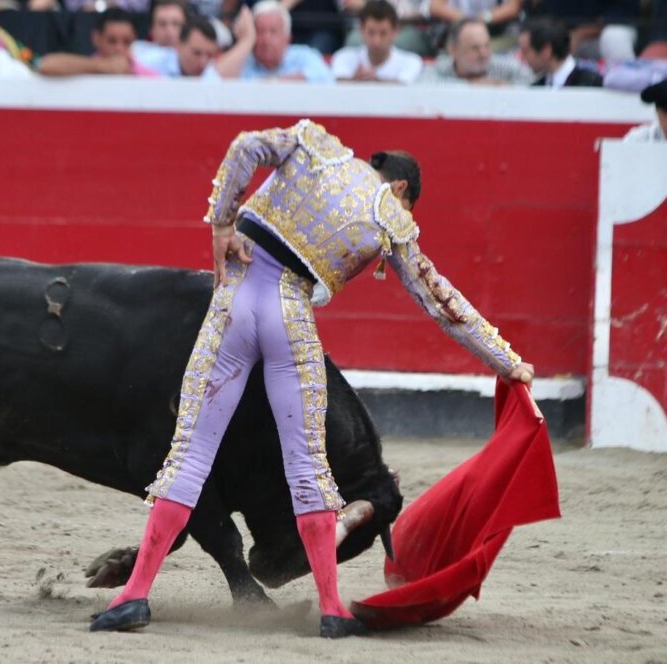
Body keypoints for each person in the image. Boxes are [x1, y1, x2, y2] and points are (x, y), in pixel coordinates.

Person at [89, 119, 534, 638]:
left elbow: (245, 146)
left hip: (233, 302)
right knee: (307, 465)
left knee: (188, 454)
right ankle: (331, 608)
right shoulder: (390, 213)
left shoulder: (314, 144)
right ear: (402, 189)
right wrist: (508, 362)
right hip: (288, 313)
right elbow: (442, 303)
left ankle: (135, 594)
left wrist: (221, 224)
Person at [228, 0, 336, 82]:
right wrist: (245, 41)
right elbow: (216, 81)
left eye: (273, 31)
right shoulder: (242, 61)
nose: (266, 39)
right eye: (260, 31)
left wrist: (278, 83)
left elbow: (328, 80)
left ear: (287, 38)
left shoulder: (304, 56)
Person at [38, 8, 159, 76]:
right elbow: (45, 65)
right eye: (112, 41)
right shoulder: (82, 68)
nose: (119, 48)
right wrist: (103, 66)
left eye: (126, 42)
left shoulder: (148, 76)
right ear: (96, 38)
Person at [417, 17, 532, 85]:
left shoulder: (505, 67)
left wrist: (506, 88)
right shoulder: (440, 67)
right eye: (475, 48)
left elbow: (532, 85)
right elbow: (422, 84)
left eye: (487, 46)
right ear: (453, 50)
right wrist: (472, 85)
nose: (484, 54)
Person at [331, 0, 423, 84]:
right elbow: (337, 85)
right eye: (371, 33)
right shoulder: (343, 57)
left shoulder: (411, 61)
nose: (377, 41)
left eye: (383, 33)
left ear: (395, 31)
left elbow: (403, 88)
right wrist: (355, 80)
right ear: (361, 30)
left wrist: (367, 81)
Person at [518, 18, 601, 88]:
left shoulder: (592, 83)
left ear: (546, 51)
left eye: (525, 51)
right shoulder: (537, 88)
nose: (521, 56)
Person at [135, 16, 220, 77]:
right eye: (196, 53)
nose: (203, 62)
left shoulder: (211, 73)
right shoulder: (149, 64)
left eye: (209, 55)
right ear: (178, 46)